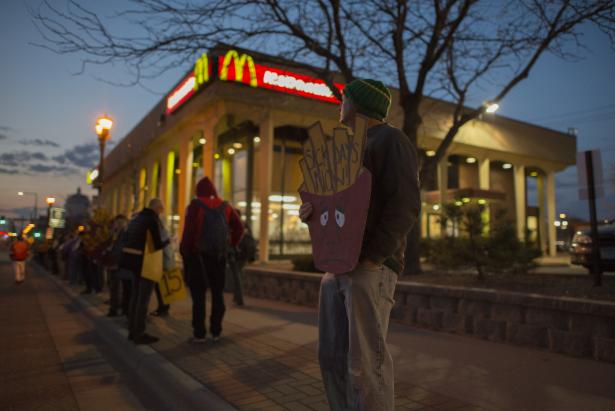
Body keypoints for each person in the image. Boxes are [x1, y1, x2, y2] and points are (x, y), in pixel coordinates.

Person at [300, 79, 420, 410]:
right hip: (335, 265)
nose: (340, 104)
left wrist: (374, 257)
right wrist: (311, 212)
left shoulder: (391, 140)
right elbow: (337, 204)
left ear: (357, 105)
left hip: (369, 267)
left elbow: (405, 204)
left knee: (366, 362)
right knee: (331, 357)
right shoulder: (345, 146)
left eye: (344, 99)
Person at [180, 177, 244, 343]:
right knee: (217, 294)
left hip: (198, 257)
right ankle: (216, 331)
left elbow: (188, 233)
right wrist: (231, 243)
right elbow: (239, 228)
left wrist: (185, 252)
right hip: (219, 257)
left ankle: (199, 334)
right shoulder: (225, 206)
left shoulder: (194, 206)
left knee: (199, 297)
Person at [120, 199, 170, 345]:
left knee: (135, 296)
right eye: (161, 209)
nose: (161, 212)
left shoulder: (136, 219)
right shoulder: (151, 220)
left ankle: (132, 330)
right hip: (145, 263)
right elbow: (156, 245)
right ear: (157, 208)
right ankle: (139, 333)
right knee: (143, 299)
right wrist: (168, 241)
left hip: (132, 262)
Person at [106, 215, 132, 317]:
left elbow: (121, 249)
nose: (118, 224)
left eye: (120, 222)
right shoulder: (114, 234)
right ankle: (115, 308)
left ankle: (121, 309)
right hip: (114, 263)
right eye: (117, 222)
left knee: (124, 289)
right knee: (114, 288)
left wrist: (117, 262)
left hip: (121, 264)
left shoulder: (126, 233)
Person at [150, 216, 174, 317]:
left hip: (162, 263)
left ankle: (163, 309)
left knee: (161, 288)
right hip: (164, 262)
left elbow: (163, 248)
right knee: (162, 287)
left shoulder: (162, 233)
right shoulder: (165, 232)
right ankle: (163, 308)